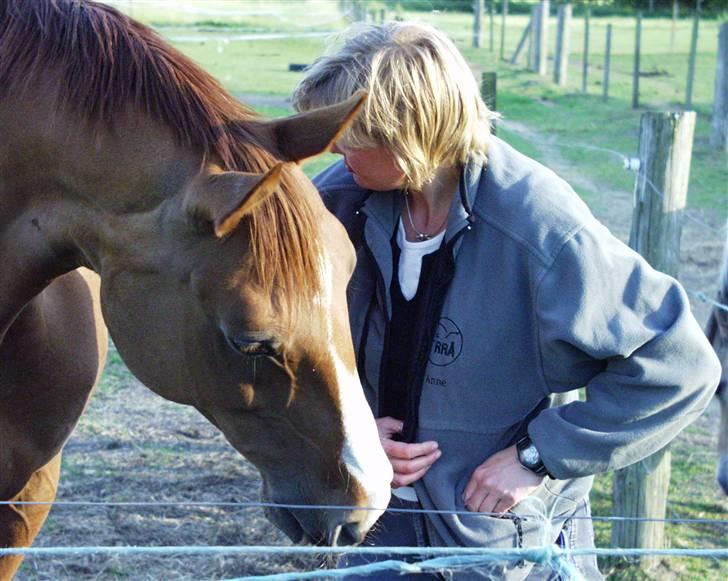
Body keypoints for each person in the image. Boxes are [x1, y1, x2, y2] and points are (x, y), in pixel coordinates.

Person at [291, 21, 721, 580]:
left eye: (350, 136)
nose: (332, 149)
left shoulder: (540, 227)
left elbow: (679, 367)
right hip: (379, 523)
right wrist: (348, 431)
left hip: (499, 537)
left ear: (409, 135)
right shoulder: (336, 202)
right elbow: (287, 345)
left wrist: (536, 459)